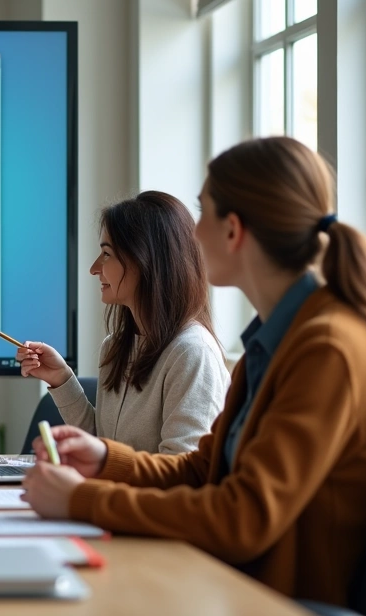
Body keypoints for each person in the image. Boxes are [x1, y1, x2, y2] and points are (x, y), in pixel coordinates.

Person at [22, 137, 366, 607]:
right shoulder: (276, 342)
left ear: (234, 230)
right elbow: (203, 469)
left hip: (266, 599)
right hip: (233, 585)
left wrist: (82, 500)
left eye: (203, 213)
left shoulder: (328, 348)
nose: (193, 236)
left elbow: (242, 518)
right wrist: (105, 460)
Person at [17, 191, 228, 454]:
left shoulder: (192, 353)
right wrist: (61, 379)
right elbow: (103, 449)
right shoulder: (116, 347)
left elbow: (181, 469)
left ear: (146, 261)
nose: (94, 268)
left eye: (107, 254)